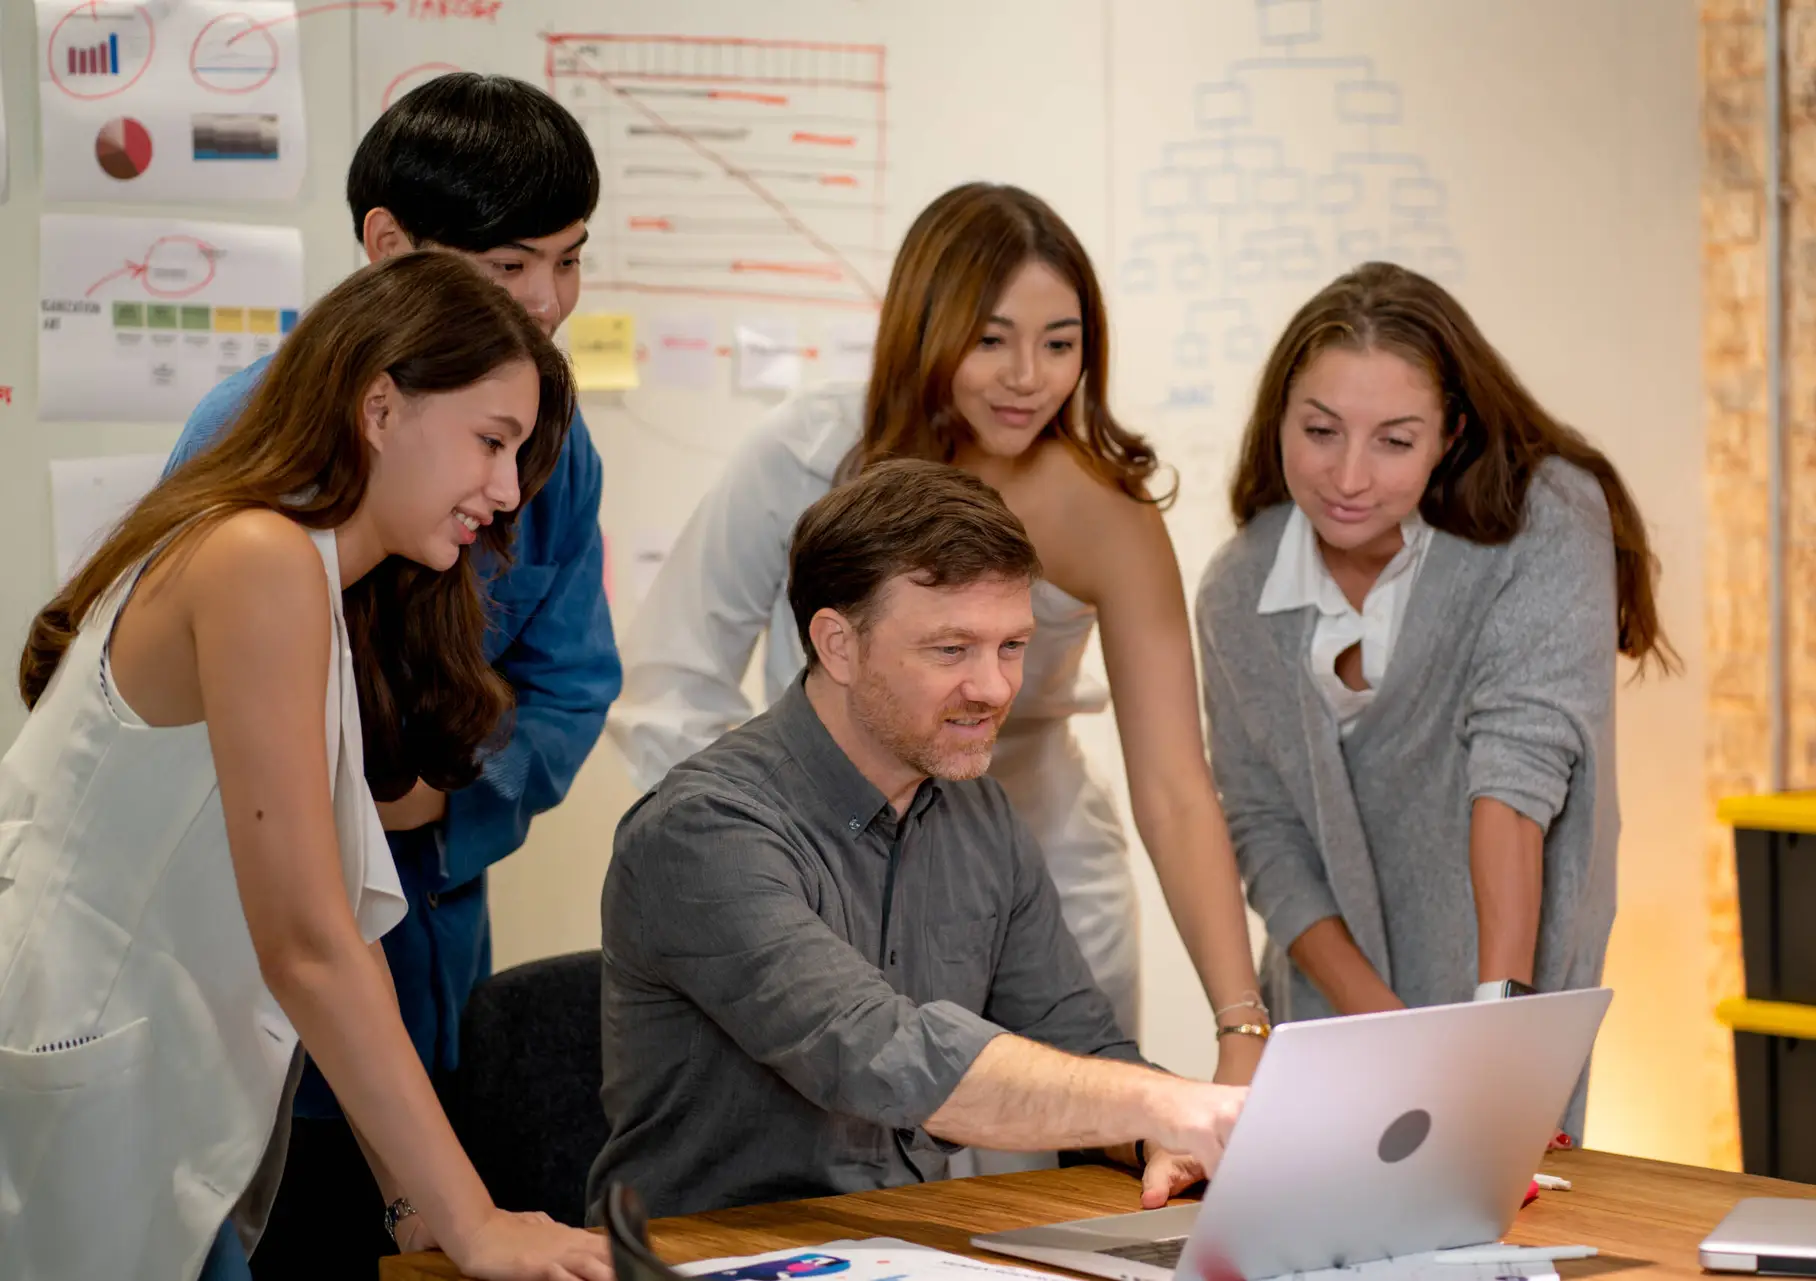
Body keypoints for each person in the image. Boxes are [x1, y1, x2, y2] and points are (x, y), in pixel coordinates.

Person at [0, 253, 611, 1281]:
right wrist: (475, 1223)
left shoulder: (304, 574)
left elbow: (336, 930)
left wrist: (416, 1198)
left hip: (148, 1086)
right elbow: (309, 944)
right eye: (491, 443)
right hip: (85, 1090)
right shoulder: (260, 560)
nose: (506, 495)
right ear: (379, 406)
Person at [606, 182, 1267, 1095]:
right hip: (819, 859)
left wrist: (1241, 1023)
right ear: (926, 324)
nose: (1028, 376)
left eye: (1060, 343)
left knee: (1068, 1138)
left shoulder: (1106, 507)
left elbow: (1174, 785)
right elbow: (671, 683)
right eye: (990, 338)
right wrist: (760, 852)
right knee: (862, 1129)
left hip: (1036, 863)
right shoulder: (808, 450)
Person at [163, 73, 621, 1272]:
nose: (548, 302)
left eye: (570, 262)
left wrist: (441, 796)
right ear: (387, 247)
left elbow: (571, 687)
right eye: (511, 265)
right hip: (230, 1006)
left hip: (413, 978)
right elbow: (295, 909)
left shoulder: (545, 445)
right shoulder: (252, 471)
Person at [590, 460, 1247, 1219]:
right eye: (951, 650)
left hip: (906, 1246)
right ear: (837, 645)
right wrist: (1162, 1102)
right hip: (710, 1254)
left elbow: (1082, 1047)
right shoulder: (704, 830)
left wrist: (1155, 1138)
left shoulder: (983, 818)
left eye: (1011, 645)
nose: (996, 688)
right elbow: (883, 1052)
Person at [1196, 261, 1677, 1140]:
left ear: (1451, 433)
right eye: (1320, 430)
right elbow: (1267, 835)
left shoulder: (1546, 523)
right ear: (1279, 422)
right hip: (1328, 1014)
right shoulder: (1237, 592)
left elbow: (1517, 782)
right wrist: (1387, 1034)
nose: (1348, 475)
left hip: (1506, 984)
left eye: (1394, 440)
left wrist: (1490, 1042)